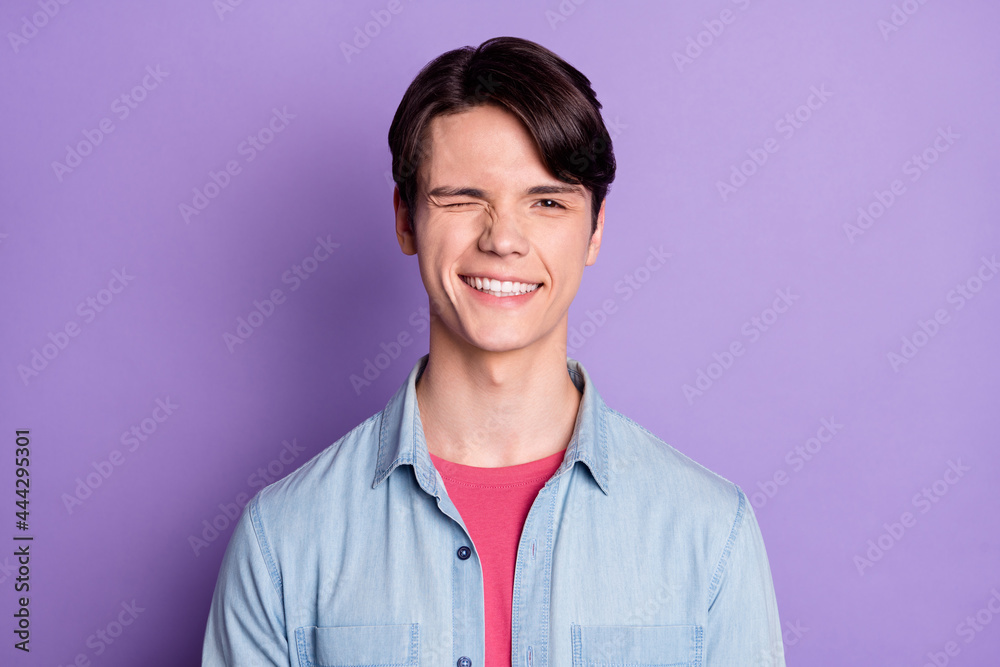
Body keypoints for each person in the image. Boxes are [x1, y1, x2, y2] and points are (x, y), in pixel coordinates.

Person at [203, 35, 785, 667]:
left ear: (595, 230)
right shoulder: (283, 538)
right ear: (404, 219)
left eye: (547, 202)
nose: (503, 238)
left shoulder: (709, 531)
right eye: (461, 198)